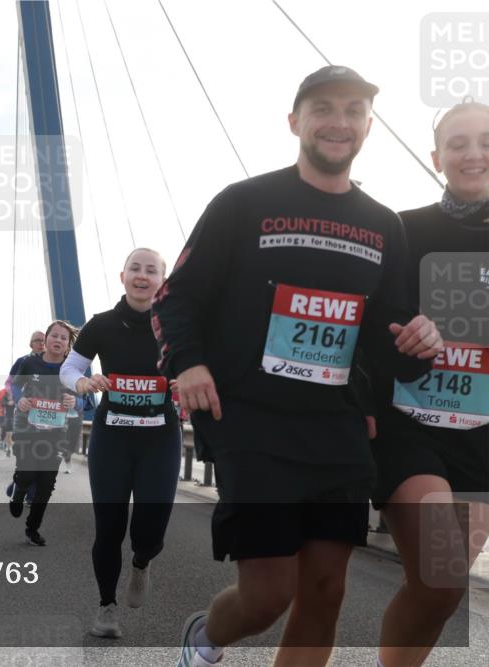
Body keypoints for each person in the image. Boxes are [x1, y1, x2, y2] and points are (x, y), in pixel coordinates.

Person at [153, 66, 444, 667]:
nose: (339, 122)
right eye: (323, 109)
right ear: (295, 122)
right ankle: (204, 637)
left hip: (336, 427)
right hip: (250, 419)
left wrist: (420, 340)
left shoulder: (383, 225)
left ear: (369, 127)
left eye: (354, 111)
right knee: (267, 596)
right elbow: (175, 296)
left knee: (325, 591)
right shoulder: (243, 203)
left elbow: (387, 333)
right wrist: (189, 364)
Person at [369, 100, 489, 667]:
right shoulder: (403, 228)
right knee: (441, 573)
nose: (473, 154)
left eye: (485, 141)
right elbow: (369, 322)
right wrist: (406, 333)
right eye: (458, 143)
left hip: (481, 434)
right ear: (437, 157)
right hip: (408, 422)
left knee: (439, 590)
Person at [60, 248, 181, 638]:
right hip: (112, 437)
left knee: (152, 523)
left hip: (160, 438)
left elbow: (199, 365)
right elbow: (70, 367)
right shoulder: (102, 324)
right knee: (109, 527)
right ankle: (106, 607)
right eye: (135, 268)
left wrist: (184, 381)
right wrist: (82, 382)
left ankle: (142, 562)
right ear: (123, 276)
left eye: (151, 270)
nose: (142, 275)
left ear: (162, 280)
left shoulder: (177, 324)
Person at [10, 320, 78, 546]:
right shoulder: (29, 363)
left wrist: (75, 401)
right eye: (54, 336)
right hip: (27, 429)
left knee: (47, 482)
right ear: (45, 339)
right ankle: (19, 489)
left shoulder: (71, 369)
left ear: (68, 344)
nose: (58, 340)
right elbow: (15, 386)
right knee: (27, 474)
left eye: (63, 338)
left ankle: (33, 529)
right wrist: (20, 400)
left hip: (56, 434)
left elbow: (85, 399)